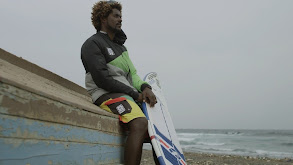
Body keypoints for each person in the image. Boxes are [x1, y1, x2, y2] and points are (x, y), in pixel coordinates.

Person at [81, 1, 158, 165]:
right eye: (115, 16)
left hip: (126, 95)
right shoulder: (92, 44)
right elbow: (102, 80)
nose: (120, 19)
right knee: (140, 122)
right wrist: (134, 94)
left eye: (121, 16)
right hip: (105, 95)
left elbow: (133, 75)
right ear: (103, 18)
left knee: (154, 130)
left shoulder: (122, 49)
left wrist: (145, 88)